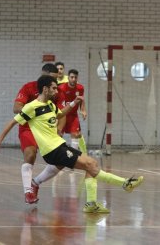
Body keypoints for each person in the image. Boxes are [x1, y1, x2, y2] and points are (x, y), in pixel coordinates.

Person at [0, 75, 144, 212]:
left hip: (59, 145)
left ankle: (92, 204)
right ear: (45, 89)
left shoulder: (51, 105)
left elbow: (60, 114)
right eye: (53, 88)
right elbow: (12, 122)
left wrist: (73, 103)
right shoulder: (32, 107)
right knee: (91, 164)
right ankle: (125, 184)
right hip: (52, 150)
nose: (56, 90)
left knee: (90, 165)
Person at [14, 63, 62, 204]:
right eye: (50, 78)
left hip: (48, 129)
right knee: (30, 153)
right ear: (43, 74)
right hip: (29, 127)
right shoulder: (29, 87)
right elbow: (16, 107)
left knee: (61, 161)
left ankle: (36, 182)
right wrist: (33, 111)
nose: (53, 83)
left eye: (55, 80)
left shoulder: (55, 91)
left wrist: (60, 128)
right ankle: (28, 191)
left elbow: (62, 113)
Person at [58, 69, 105, 212]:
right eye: (71, 77)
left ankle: (71, 161)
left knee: (75, 135)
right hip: (62, 114)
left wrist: (83, 110)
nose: (73, 79)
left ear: (77, 78)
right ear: (68, 77)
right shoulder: (62, 88)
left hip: (73, 116)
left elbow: (81, 102)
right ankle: (59, 159)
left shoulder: (80, 88)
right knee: (58, 135)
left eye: (75, 77)